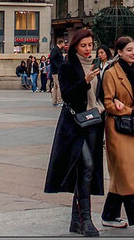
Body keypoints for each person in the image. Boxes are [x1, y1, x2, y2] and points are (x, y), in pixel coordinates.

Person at [44, 28, 105, 237]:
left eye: (90, 45)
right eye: (84, 46)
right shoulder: (68, 66)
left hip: (94, 122)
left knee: (86, 171)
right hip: (75, 125)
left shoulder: (97, 66)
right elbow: (67, 95)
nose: (88, 49)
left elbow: (100, 93)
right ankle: (86, 219)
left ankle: (76, 220)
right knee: (86, 166)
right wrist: (85, 80)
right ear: (75, 47)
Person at [101, 36, 134, 233]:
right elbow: (108, 103)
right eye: (129, 50)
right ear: (119, 52)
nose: (133, 53)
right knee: (125, 171)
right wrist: (130, 110)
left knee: (123, 173)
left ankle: (110, 214)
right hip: (117, 128)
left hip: (133, 129)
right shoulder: (111, 74)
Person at [49, 37, 66, 107]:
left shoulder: (56, 50)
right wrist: (58, 66)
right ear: (61, 43)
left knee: (56, 86)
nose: (64, 45)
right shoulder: (56, 50)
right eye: (64, 43)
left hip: (55, 70)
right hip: (56, 71)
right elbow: (52, 59)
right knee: (58, 86)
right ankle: (59, 100)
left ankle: (55, 101)